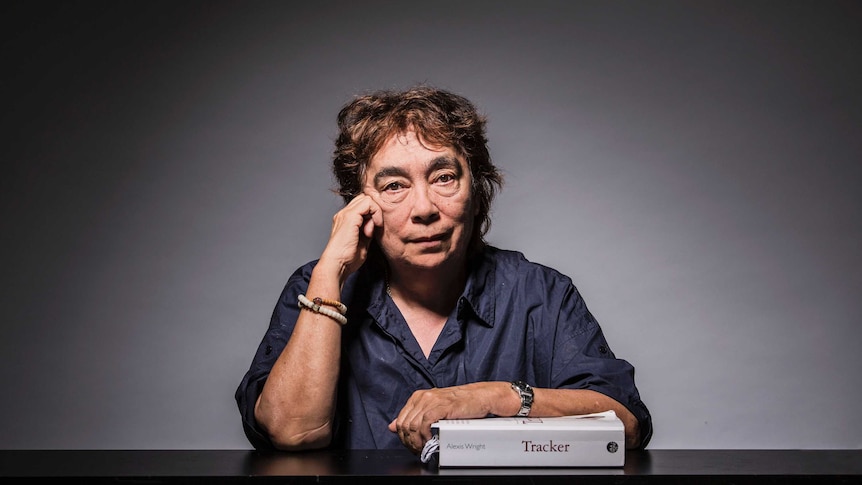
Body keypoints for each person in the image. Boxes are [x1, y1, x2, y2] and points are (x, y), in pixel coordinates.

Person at [235, 85, 653, 455]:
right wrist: (330, 274)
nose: (424, 209)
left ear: (477, 190)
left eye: (444, 177)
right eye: (394, 186)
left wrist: (499, 398)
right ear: (360, 205)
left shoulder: (539, 292)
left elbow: (625, 424)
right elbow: (291, 432)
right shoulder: (316, 288)